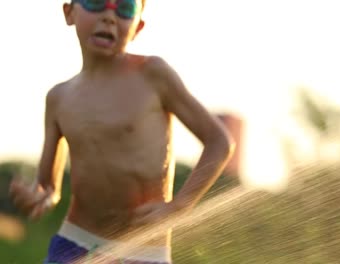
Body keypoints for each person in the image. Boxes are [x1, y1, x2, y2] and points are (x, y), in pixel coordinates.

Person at [9, 0, 235, 263]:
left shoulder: (153, 75)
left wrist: (180, 205)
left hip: (142, 252)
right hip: (74, 243)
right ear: (69, 12)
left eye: (125, 8)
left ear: (137, 26)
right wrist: (40, 197)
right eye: (96, 3)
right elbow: (48, 186)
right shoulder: (59, 98)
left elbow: (220, 141)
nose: (109, 17)